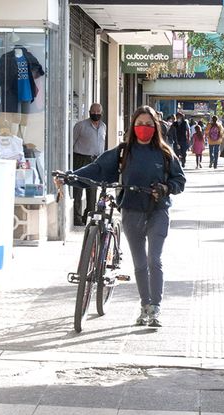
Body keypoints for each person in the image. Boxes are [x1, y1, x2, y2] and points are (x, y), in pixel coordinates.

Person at [55, 105, 186, 327]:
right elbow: (96, 169)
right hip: (131, 210)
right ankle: (145, 306)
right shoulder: (124, 151)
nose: (144, 128)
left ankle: (156, 308)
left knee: (155, 259)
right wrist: (70, 177)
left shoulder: (165, 153)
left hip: (158, 211)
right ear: (132, 126)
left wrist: (165, 188)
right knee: (140, 263)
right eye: (139, 124)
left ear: (155, 127)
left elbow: (179, 181)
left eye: (148, 124)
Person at [71, 103, 106, 226]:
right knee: (78, 190)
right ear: (89, 112)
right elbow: (71, 143)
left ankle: (88, 217)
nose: (96, 113)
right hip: (81, 159)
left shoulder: (103, 127)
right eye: (93, 111)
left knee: (92, 190)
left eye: (98, 111)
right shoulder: (80, 126)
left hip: (95, 161)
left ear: (101, 113)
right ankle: (76, 218)